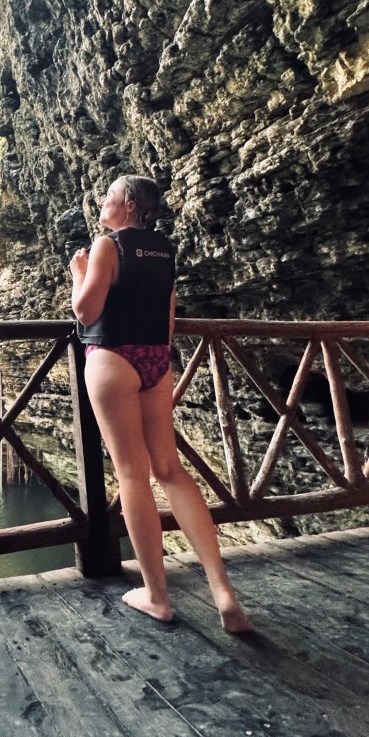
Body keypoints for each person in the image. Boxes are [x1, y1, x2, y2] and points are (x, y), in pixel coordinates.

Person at [70, 174, 253, 633]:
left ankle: (156, 596)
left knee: (132, 474)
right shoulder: (165, 250)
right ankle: (223, 592)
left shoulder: (108, 245)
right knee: (170, 470)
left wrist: (79, 272)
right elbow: (168, 320)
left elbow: (85, 312)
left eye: (109, 195)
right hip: (156, 360)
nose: (102, 201)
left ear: (130, 205)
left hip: (113, 358)